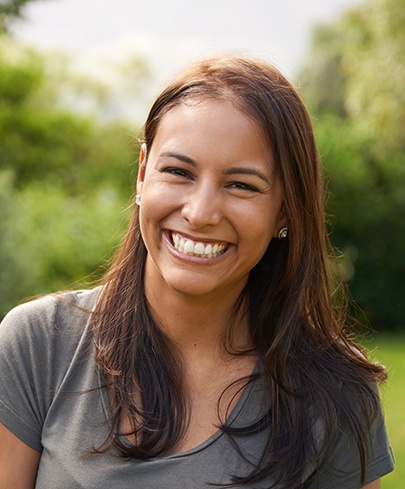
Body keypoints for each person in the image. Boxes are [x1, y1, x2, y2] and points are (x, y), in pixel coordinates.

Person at [0, 55, 394, 489]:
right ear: (142, 173)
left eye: (241, 185)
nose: (201, 212)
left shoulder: (337, 394)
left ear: (285, 209)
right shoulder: (37, 346)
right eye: (178, 171)